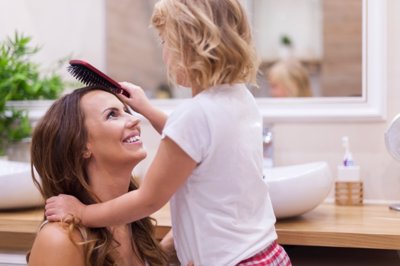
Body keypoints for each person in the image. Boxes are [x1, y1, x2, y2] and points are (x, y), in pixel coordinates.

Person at [45, 0, 292, 265]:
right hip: (270, 254)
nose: (164, 54)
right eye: (112, 114)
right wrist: (147, 109)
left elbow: (148, 199)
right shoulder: (241, 100)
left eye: (165, 43)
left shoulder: (195, 116)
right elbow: (194, 141)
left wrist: (82, 213)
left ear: (187, 47)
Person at [27, 86, 168, 266]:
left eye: (126, 111)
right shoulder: (61, 239)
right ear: (81, 147)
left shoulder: (132, 223)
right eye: (112, 114)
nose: (134, 120)